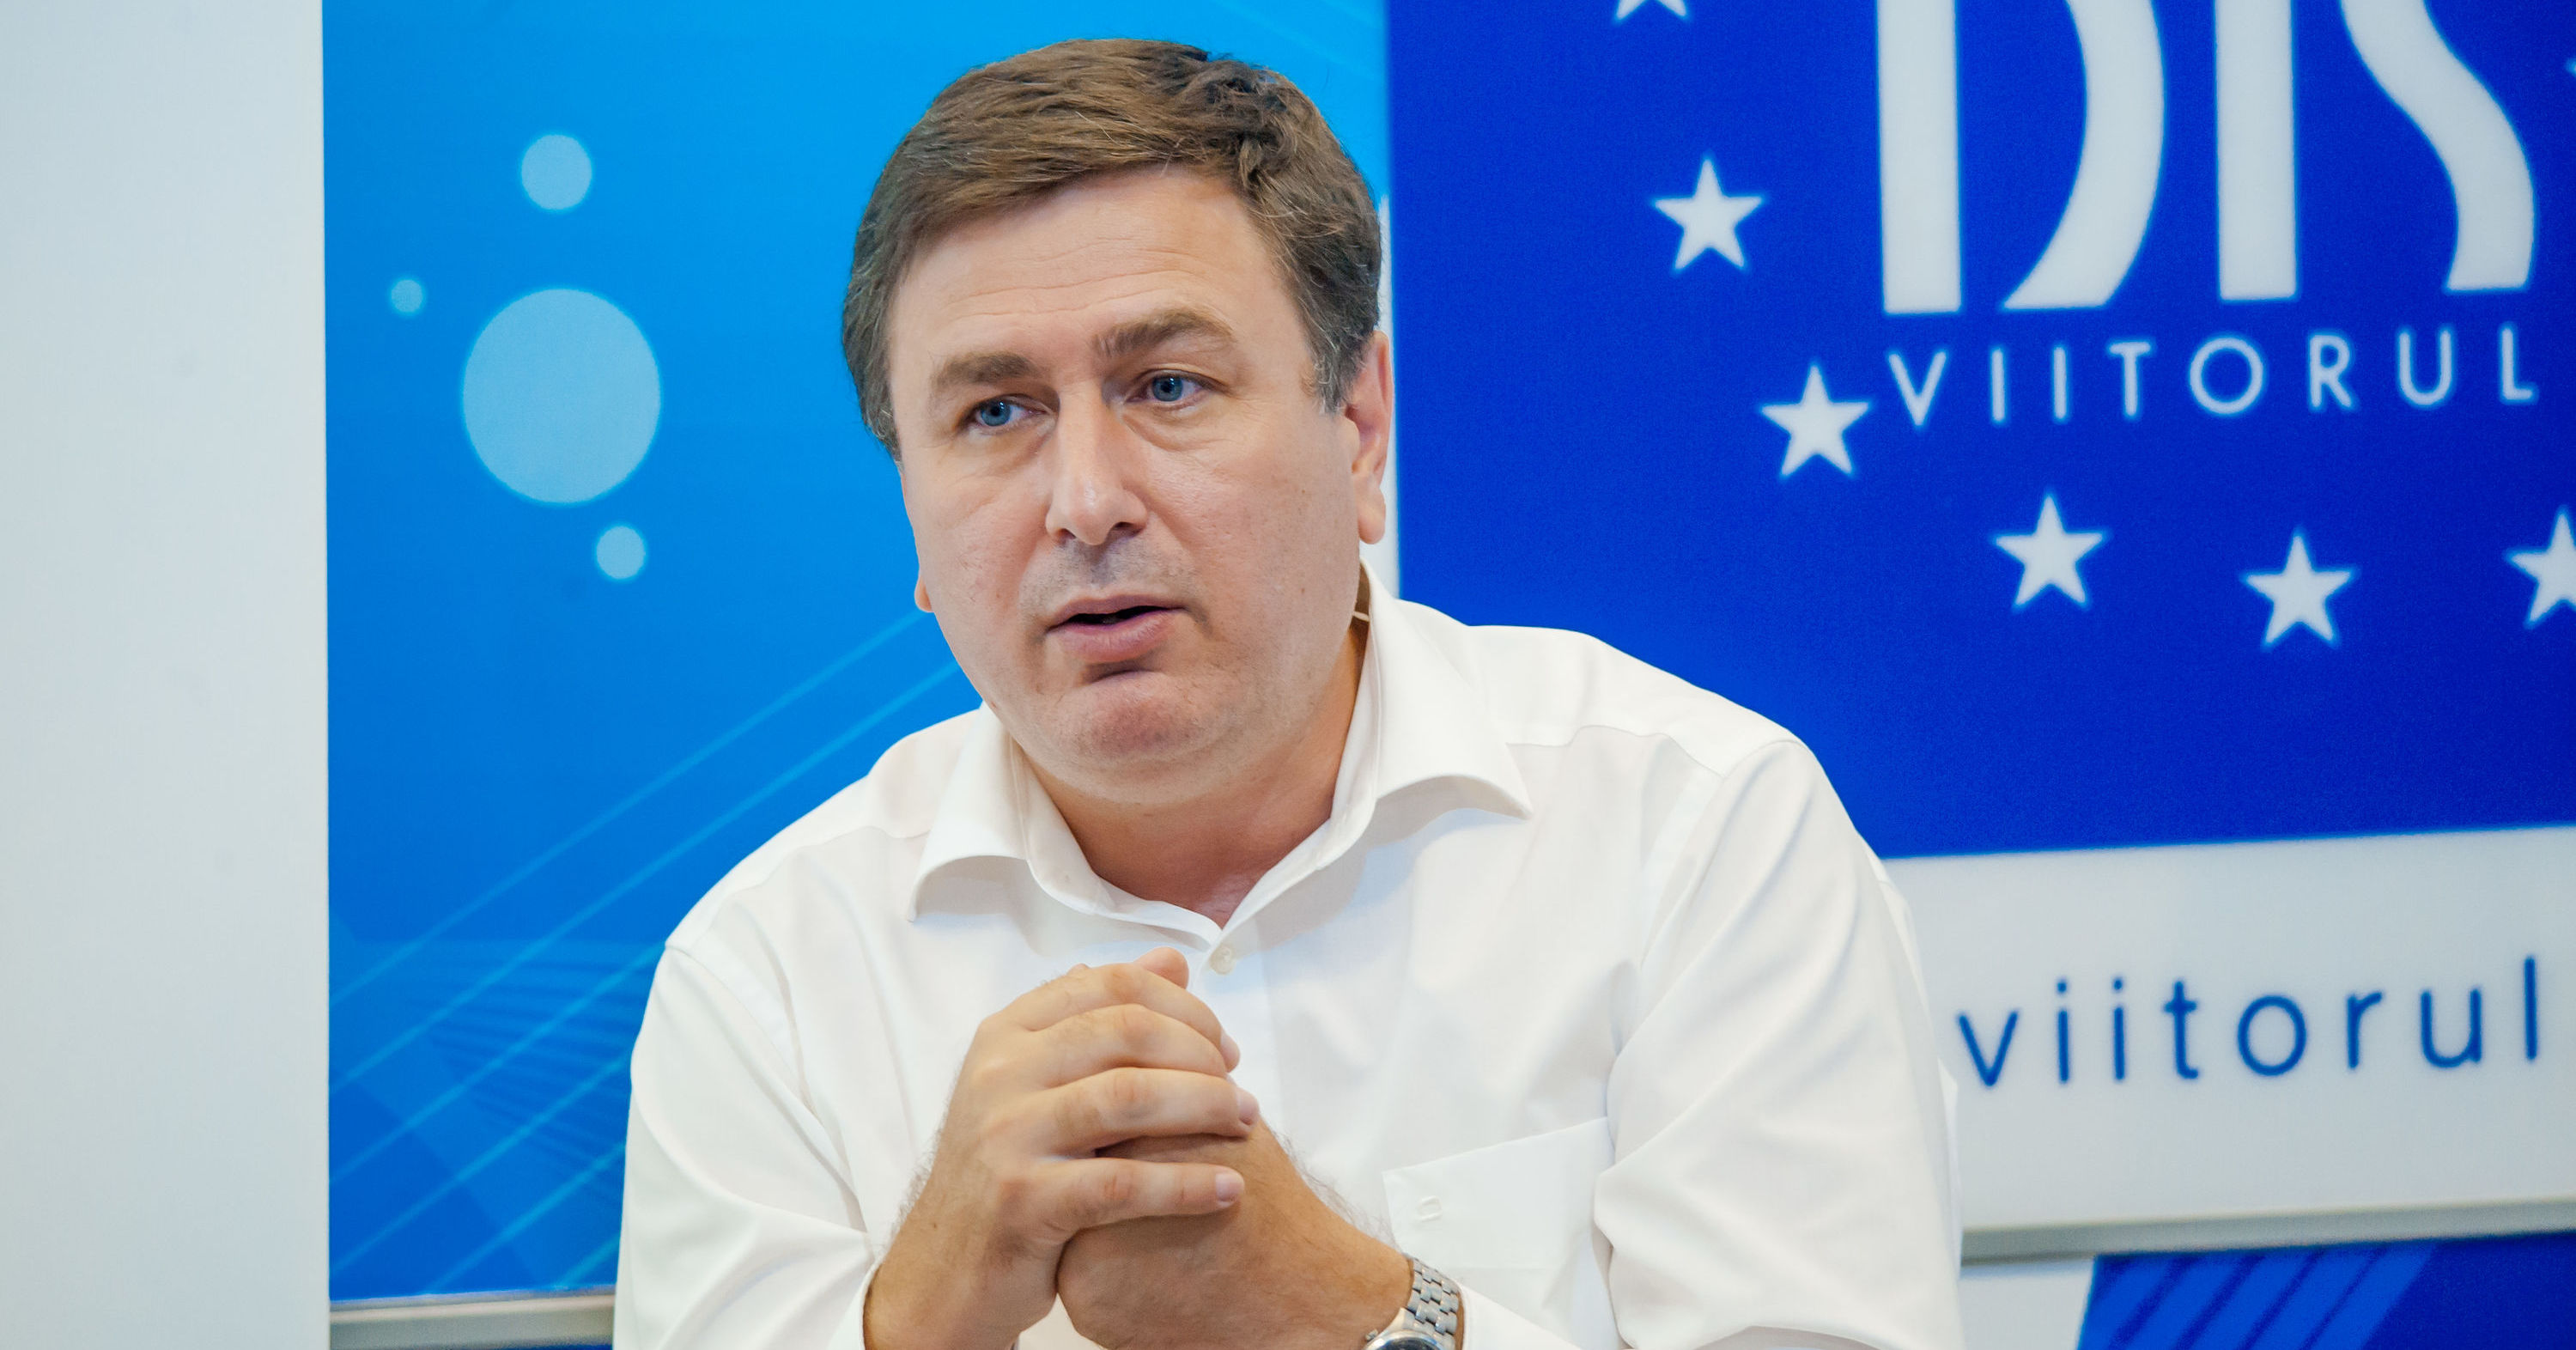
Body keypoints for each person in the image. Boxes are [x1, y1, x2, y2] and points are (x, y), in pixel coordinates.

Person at [615, 38, 1961, 1350]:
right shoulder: (769, 981)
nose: (1085, 502)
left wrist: (1340, 1310)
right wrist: (919, 1321)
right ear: (910, 504)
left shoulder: (1694, 836)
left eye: (1168, 385)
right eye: (996, 414)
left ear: (1360, 426)